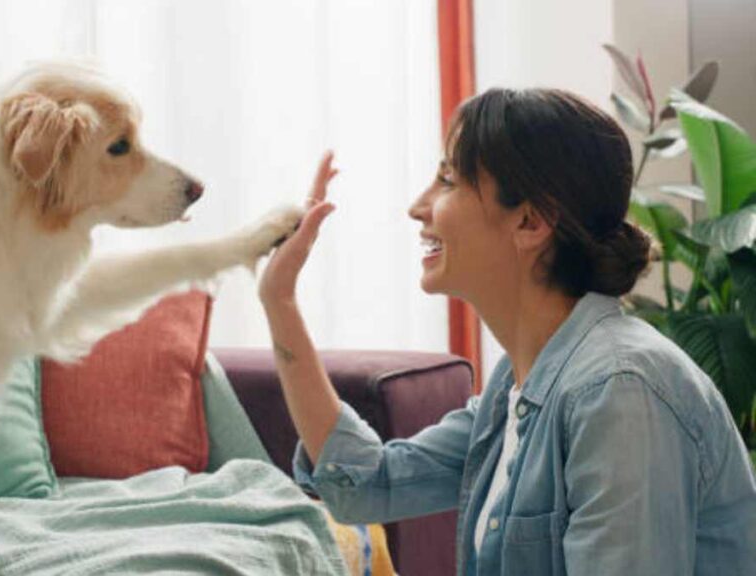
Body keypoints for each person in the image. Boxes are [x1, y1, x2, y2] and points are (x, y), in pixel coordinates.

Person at [258, 88, 756, 575]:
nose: (418, 206)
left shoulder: (620, 392)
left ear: (530, 221)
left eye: (447, 180)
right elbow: (365, 483)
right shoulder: (517, 388)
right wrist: (279, 300)